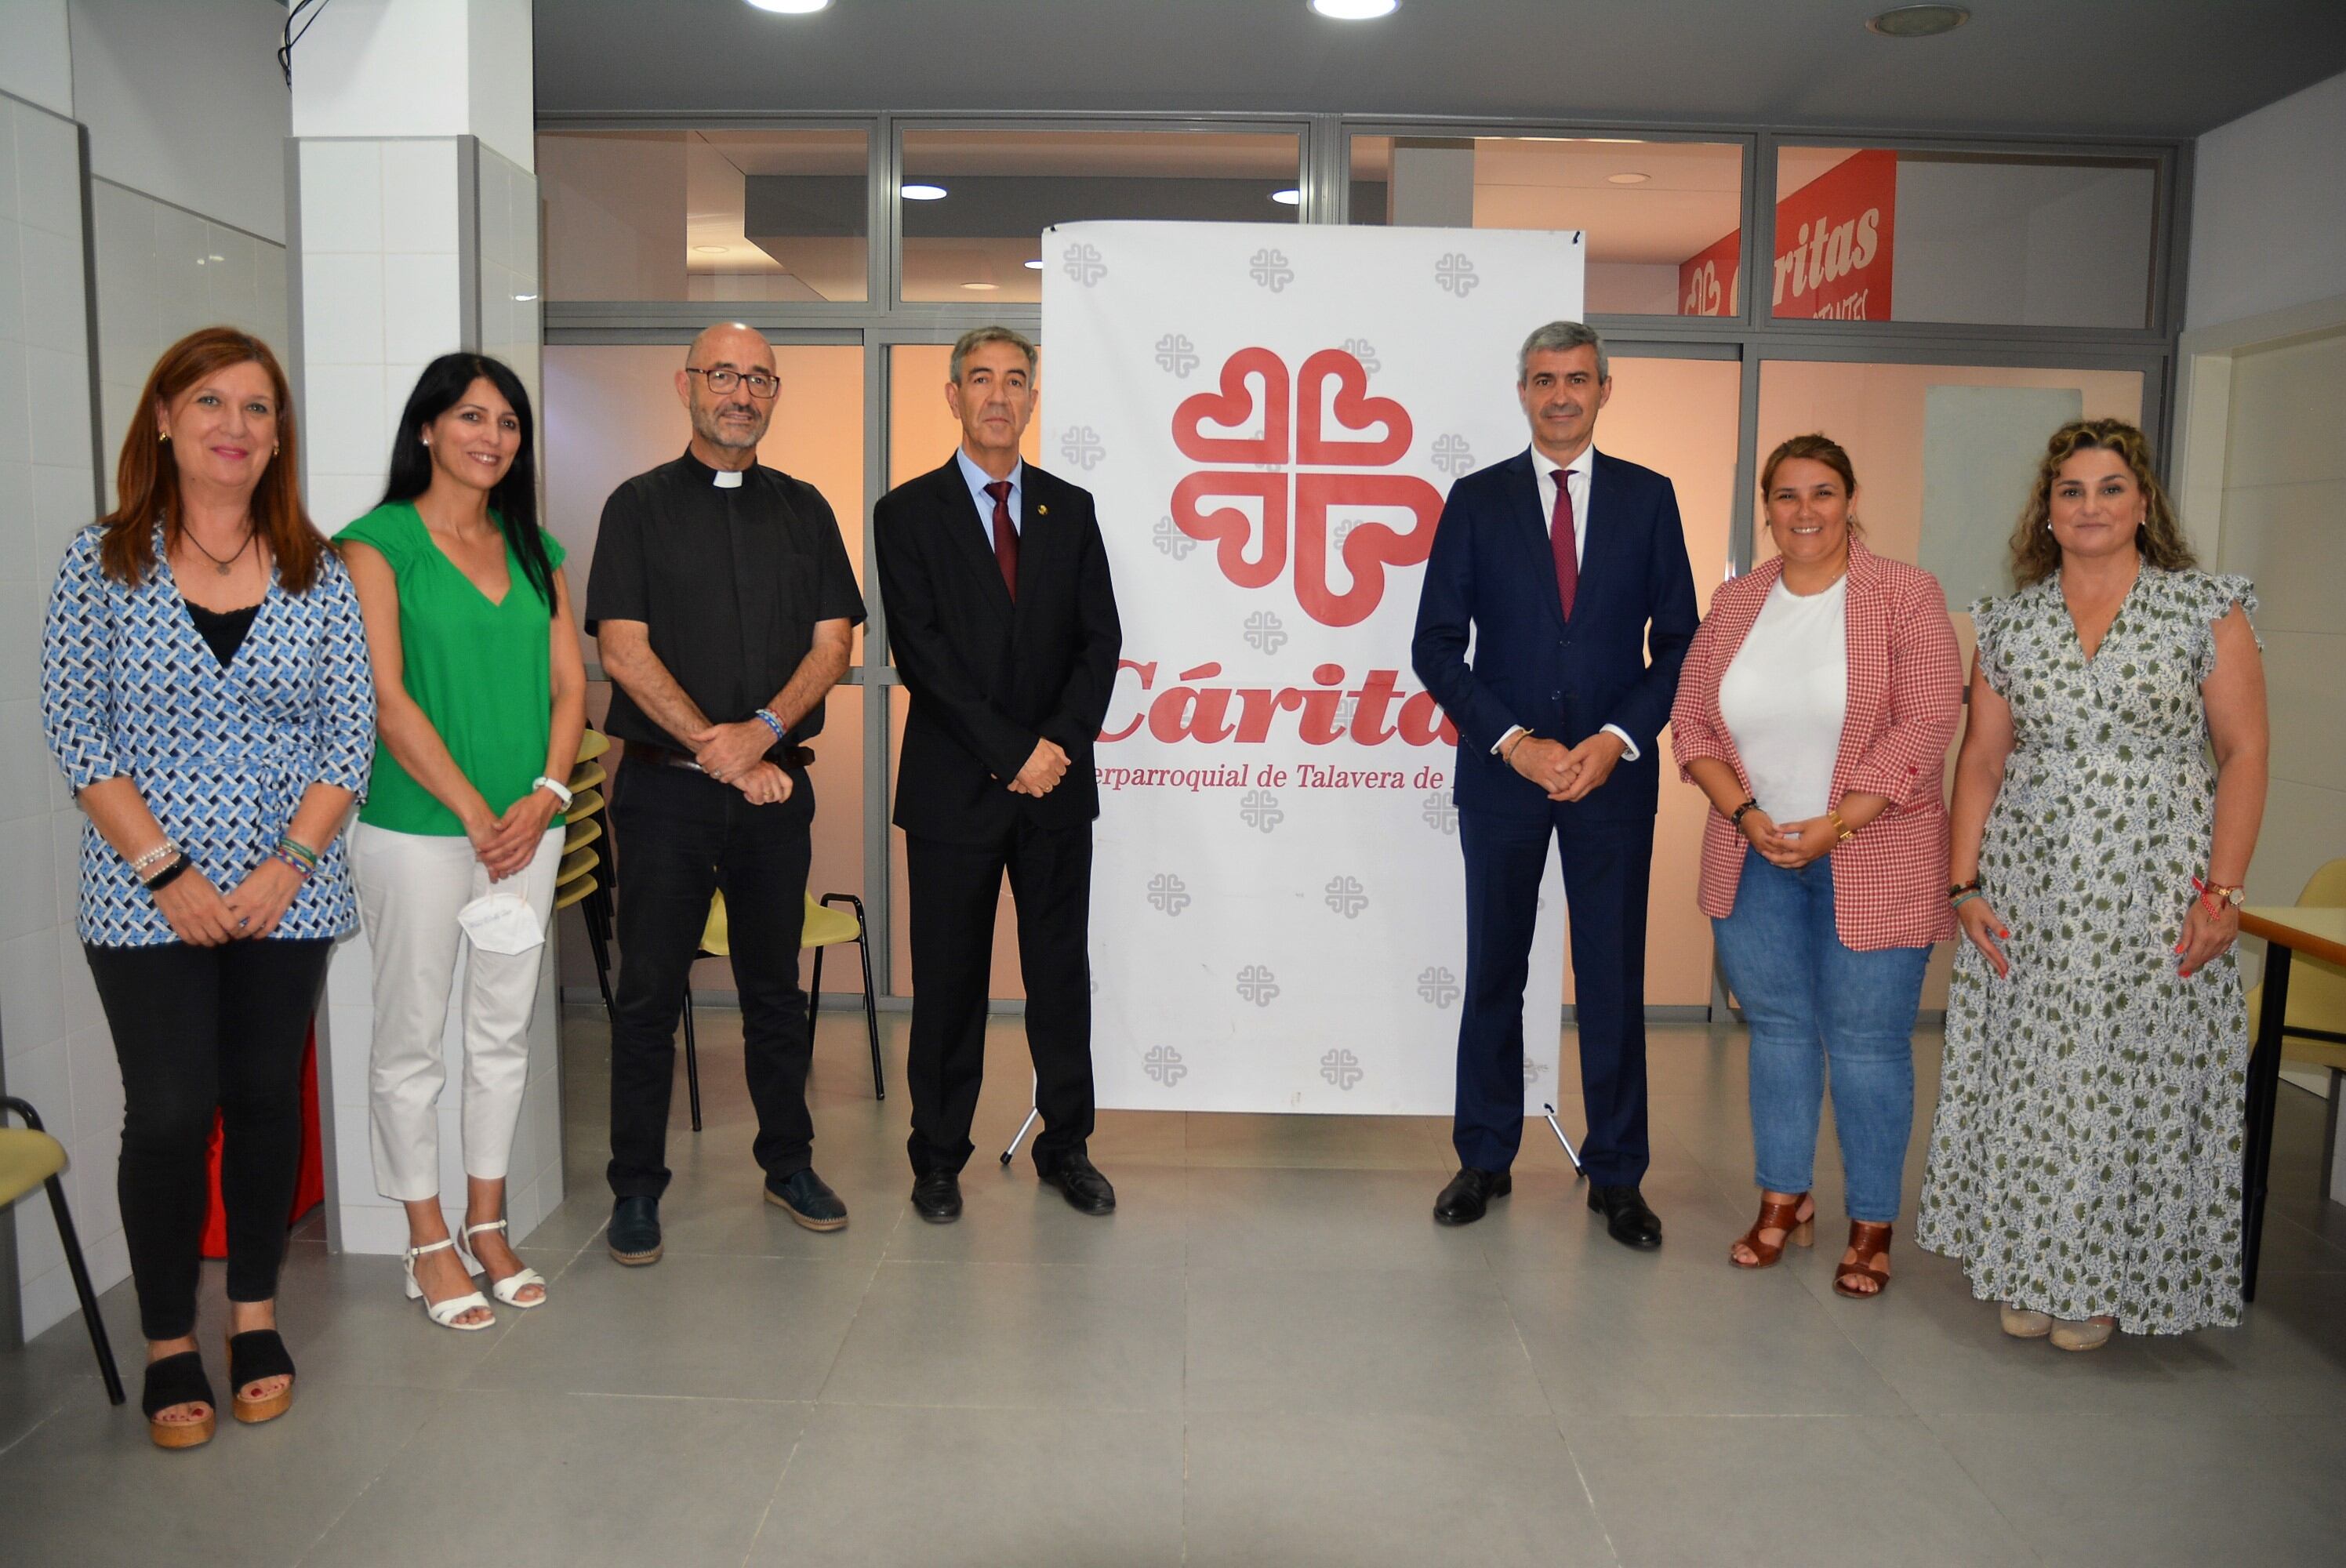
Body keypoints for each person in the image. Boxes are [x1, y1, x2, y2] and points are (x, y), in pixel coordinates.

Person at [40, 328, 374, 1447]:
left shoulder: (315, 570)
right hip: (143, 896)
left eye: (259, 409)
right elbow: (77, 734)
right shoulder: (101, 562)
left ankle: (255, 1314)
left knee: (266, 1100)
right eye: (213, 404)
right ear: (166, 420)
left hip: (291, 888)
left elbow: (349, 738)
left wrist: (290, 863)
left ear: (280, 436)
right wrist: (167, 870)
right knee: (172, 1114)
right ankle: (170, 1340)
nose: (236, 427)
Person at [1918, 417, 2268, 1351]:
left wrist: (2222, 894)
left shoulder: (2204, 609)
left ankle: (2104, 1278)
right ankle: (2032, 1261)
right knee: (2037, 1081)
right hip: (2031, 887)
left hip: (2156, 885)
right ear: (2047, 509)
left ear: (2143, 502)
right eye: (2070, 490)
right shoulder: (2012, 621)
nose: (2090, 505)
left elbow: (2242, 752)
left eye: (2110, 486)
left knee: (2130, 1082)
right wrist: (1964, 884)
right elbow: (1982, 762)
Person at [1411, 321, 1699, 1247]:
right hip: (1504, 778)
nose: (1561, 394)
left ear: (1605, 388)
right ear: (1523, 390)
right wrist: (1513, 741)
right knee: (1495, 967)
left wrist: (1617, 737)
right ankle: (1484, 1155)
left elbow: (1682, 642)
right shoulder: (1476, 498)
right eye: (1544, 379)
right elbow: (1435, 645)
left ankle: (1617, 1173)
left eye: (1577, 378)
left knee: (1612, 978)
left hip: (1612, 779)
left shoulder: (1649, 500)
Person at [584, 322, 865, 1261]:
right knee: (649, 995)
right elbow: (621, 648)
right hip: (665, 794)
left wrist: (764, 736)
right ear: (686, 385)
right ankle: (635, 1187)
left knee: (774, 988)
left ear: (776, 393)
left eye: (758, 378)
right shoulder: (636, 507)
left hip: (776, 792)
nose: (740, 392)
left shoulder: (806, 509)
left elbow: (834, 645)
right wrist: (721, 749)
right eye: (722, 376)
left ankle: (788, 1162)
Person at [1668, 434, 1961, 1298]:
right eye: (1787, 495)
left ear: (1849, 498)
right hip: (1753, 854)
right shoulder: (1737, 600)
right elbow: (1692, 725)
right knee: (1781, 1035)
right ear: (1767, 506)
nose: (1804, 511)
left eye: (1822, 492)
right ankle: (1783, 1198)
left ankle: (1870, 1222)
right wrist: (1750, 815)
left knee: (1868, 1046)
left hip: (1874, 849)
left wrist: (1838, 822)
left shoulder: (1904, 594)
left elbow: (1926, 721)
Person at [339, 354, 586, 1329]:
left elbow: (572, 686)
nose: (493, 437)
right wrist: (479, 816)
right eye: (471, 416)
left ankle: (489, 1221)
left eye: (509, 422)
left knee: (499, 1035)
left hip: (529, 829)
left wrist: (546, 795)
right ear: (429, 429)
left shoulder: (539, 550)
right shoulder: (375, 542)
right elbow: (386, 698)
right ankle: (426, 1237)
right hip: (418, 832)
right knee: (410, 1044)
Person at [873, 327, 1123, 1221]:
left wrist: (1052, 745)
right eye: (980, 379)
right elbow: (924, 654)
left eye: (1015, 381)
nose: (998, 396)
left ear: (1031, 397)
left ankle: (1067, 1146)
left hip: (1058, 787)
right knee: (949, 983)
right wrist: (1010, 750)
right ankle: (938, 1158)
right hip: (954, 792)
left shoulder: (1070, 506)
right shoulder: (906, 513)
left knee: (1060, 975)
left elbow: (1101, 641)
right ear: (952, 395)